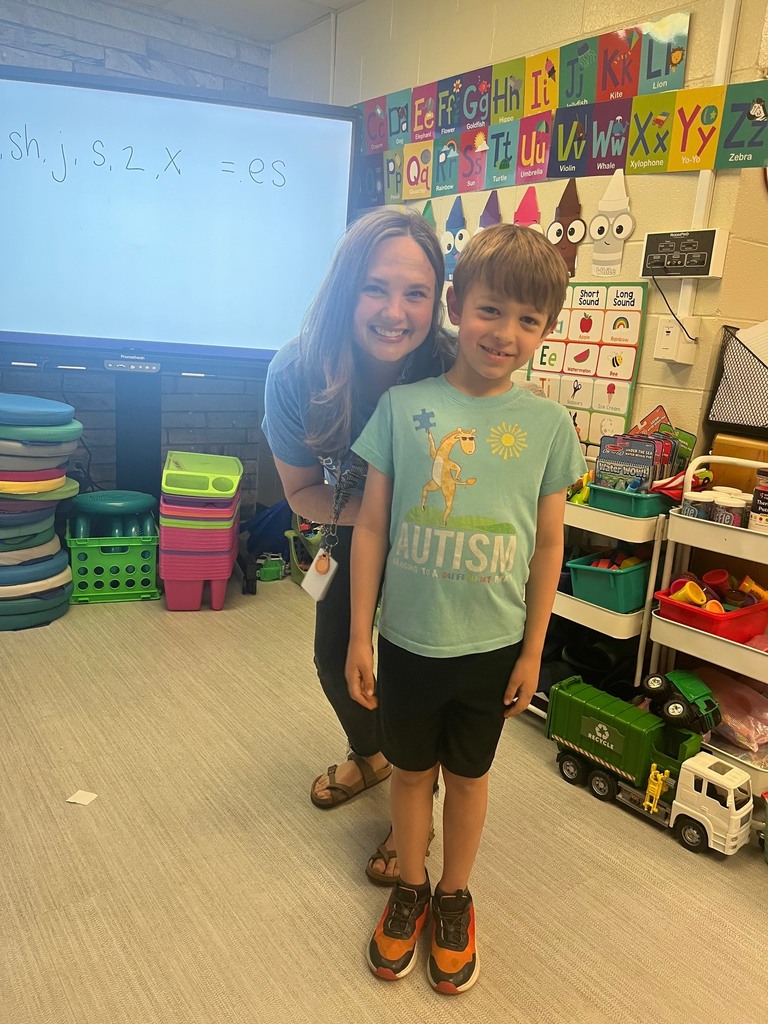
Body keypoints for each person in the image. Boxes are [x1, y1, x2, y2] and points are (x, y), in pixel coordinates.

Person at [345, 224, 586, 994]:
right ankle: (409, 886)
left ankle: (454, 896)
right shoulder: (403, 407)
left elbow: (549, 547)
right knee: (411, 774)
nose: (505, 333)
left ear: (545, 330)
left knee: (471, 779)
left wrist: (531, 650)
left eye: (528, 321)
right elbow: (373, 527)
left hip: (492, 646)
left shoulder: (549, 426)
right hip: (409, 641)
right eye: (489, 310)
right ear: (455, 305)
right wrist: (358, 633)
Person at [261, 208, 453, 884]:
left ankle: (415, 807)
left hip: (433, 537)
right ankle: (373, 754)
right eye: (376, 288)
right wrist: (369, 526)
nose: (395, 312)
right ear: (345, 288)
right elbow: (303, 492)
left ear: (438, 299)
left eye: (416, 293)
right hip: (342, 527)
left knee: (415, 672)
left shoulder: (452, 365)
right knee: (332, 653)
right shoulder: (296, 373)